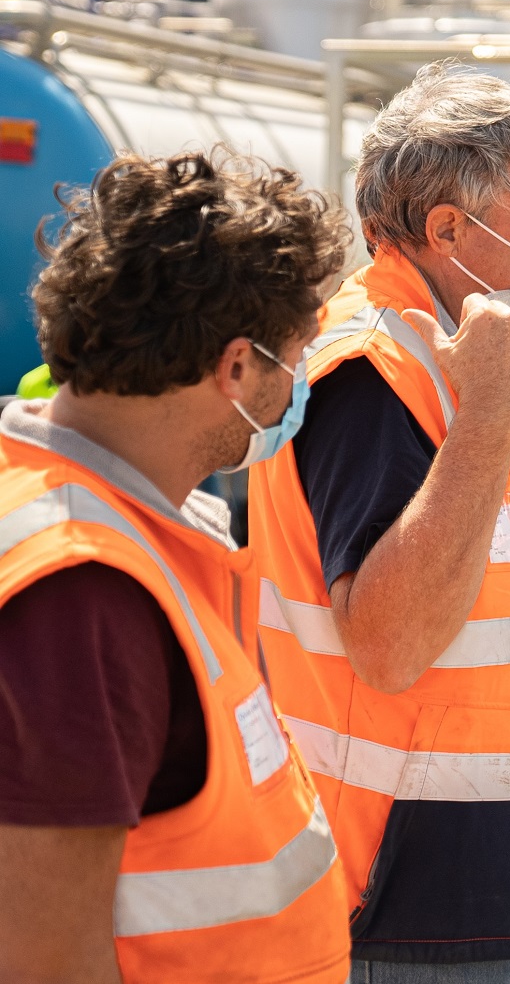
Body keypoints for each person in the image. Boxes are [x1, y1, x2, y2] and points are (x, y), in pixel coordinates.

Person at [251, 63, 510, 981]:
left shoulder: (450, 354)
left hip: (490, 904)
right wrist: (492, 410)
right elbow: (389, 642)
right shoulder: (371, 368)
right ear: (448, 229)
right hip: (404, 913)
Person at [0, 150, 352, 983]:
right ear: (235, 366)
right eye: (296, 356)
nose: (299, 384)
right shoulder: (84, 591)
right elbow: (44, 956)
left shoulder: (100, 520)